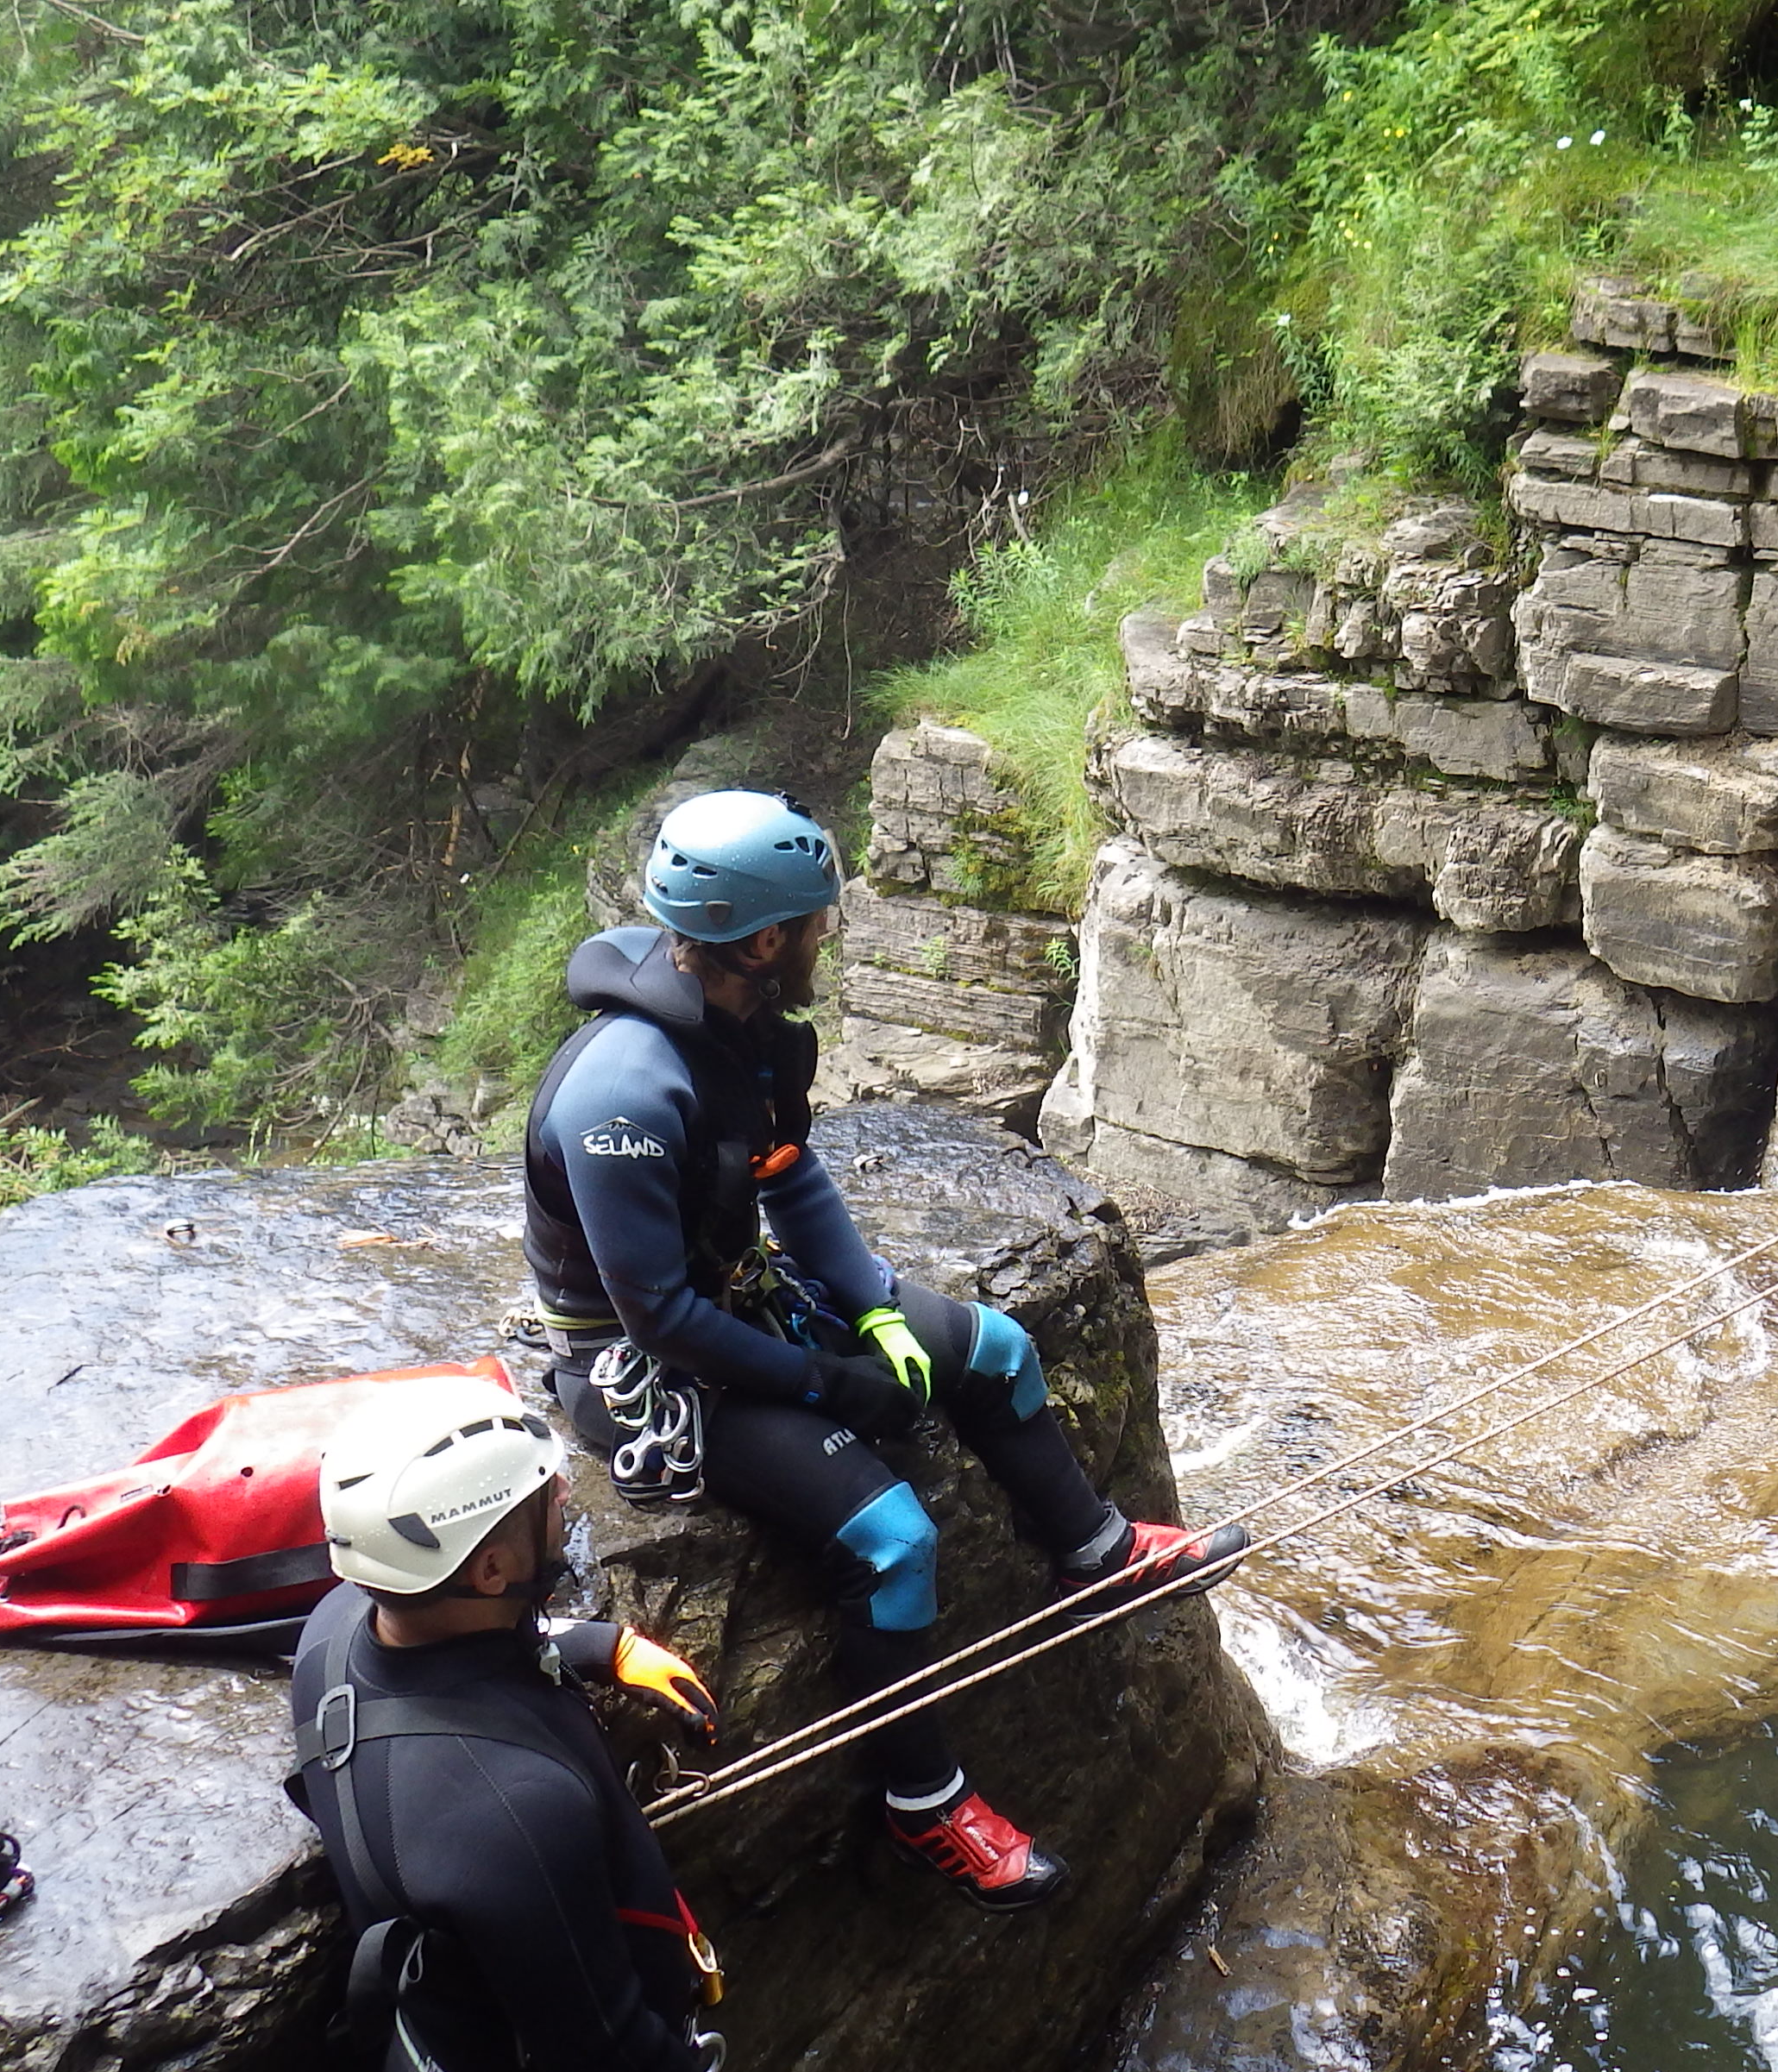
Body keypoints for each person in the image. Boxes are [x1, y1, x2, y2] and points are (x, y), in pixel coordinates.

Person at [520, 788, 1244, 1909]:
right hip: (642, 1370)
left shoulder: (743, 1033)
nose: (828, 938)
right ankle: (924, 1803)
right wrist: (831, 1381)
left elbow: (787, 1177)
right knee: (893, 1537)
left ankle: (1091, 1553)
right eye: (816, 923)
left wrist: (877, 1310)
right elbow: (659, 1318)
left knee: (997, 1349)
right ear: (763, 941)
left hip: (743, 1302)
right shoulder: (624, 1092)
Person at [287, 1374, 807, 2072]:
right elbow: (608, 2060)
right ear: (491, 1566)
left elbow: (460, 1641)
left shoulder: (335, 1628)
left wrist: (601, 1647)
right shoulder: (509, 1811)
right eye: (542, 1495)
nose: (565, 1492)